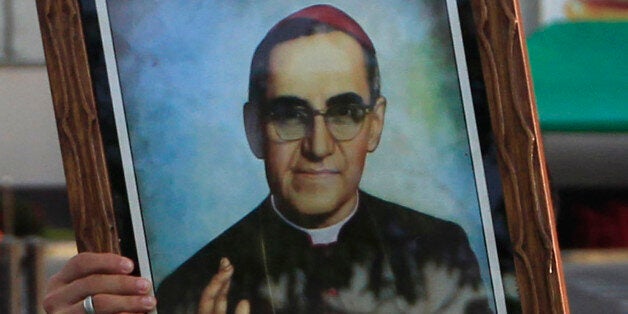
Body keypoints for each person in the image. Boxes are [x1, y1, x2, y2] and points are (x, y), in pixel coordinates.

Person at [44, 4, 489, 314]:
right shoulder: (185, 287)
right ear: (254, 127)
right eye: (290, 114)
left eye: (345, 112)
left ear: (375, 124)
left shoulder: (441, 250)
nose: (318, 145)